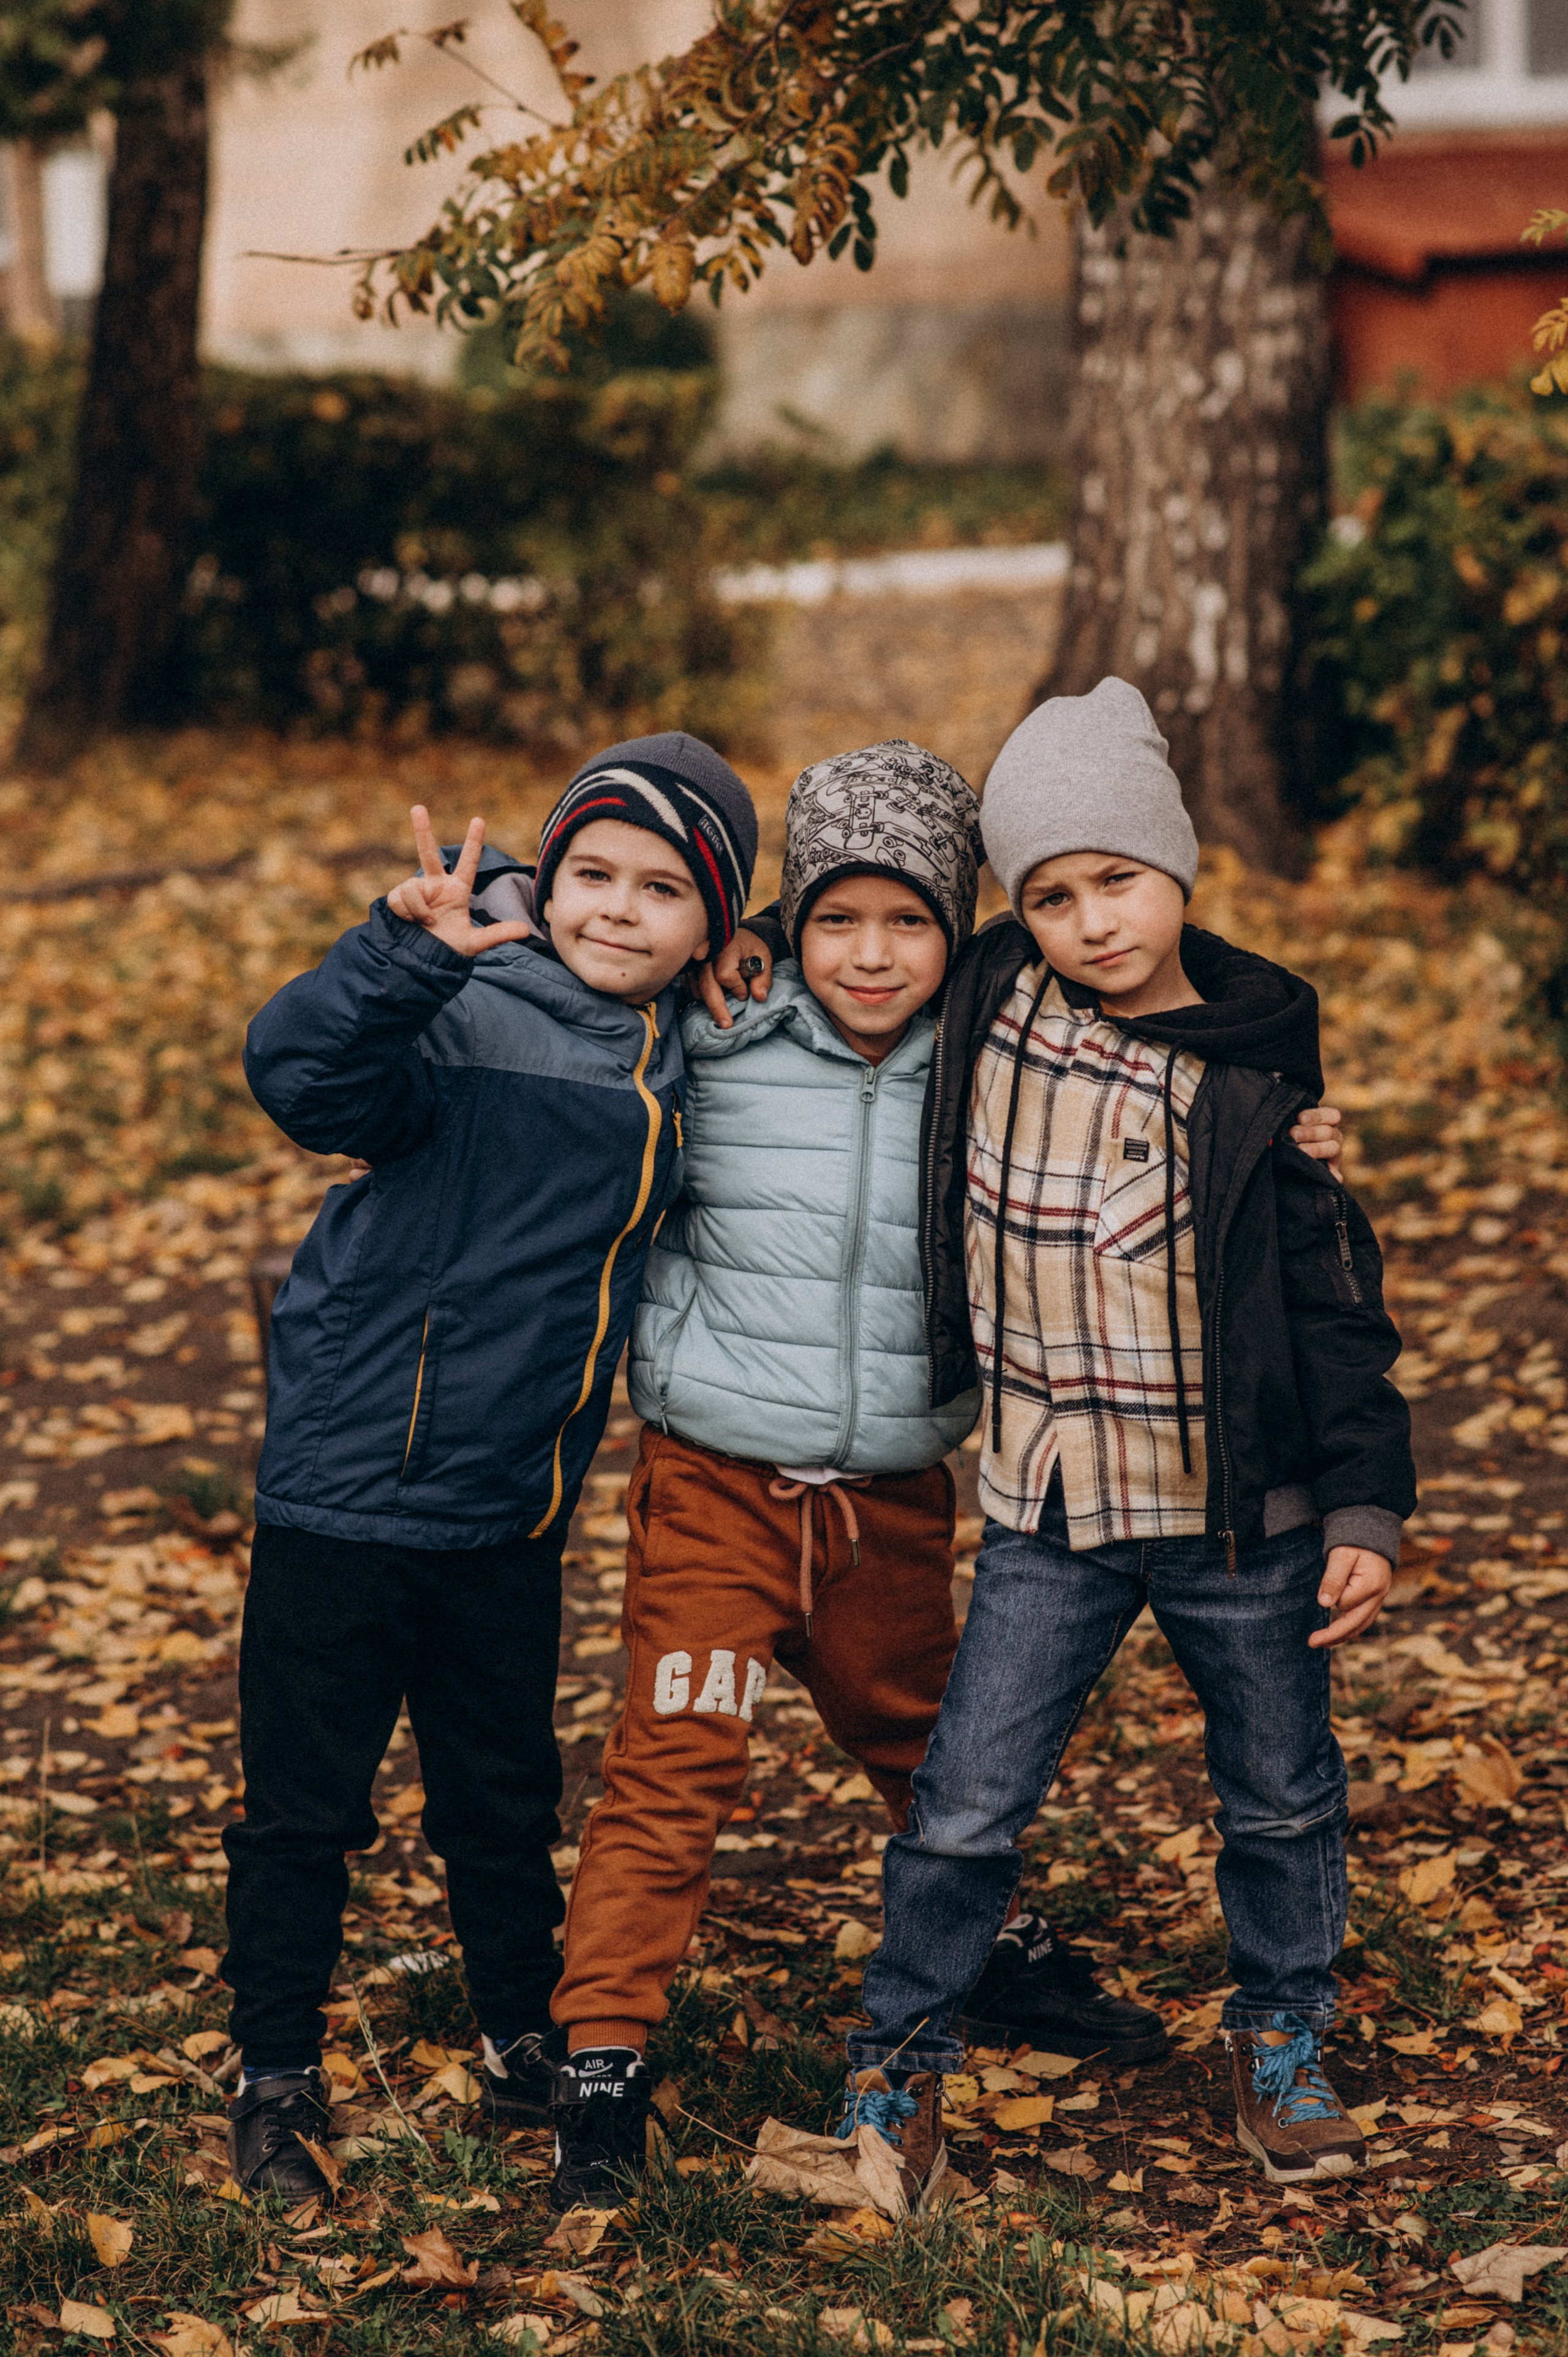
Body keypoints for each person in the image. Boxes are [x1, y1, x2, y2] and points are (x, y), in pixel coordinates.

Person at [543, 744, 1184, 2213]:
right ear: (786, 918)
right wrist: (729, 939)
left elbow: (1180, 993)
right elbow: (578, 929)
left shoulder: (1002, 1057)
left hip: (893, 1489)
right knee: (672, 1760)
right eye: (834, 918)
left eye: (908, 921)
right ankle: (600, 2052)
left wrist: (1300, 1125)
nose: (870, 954)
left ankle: (985, 1940)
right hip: (717, 1483)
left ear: (959, 927)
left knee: (928, 1743)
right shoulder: (718, 1033)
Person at [823, 678, 1415, 2208]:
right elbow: (856, 930)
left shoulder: (1255, 1080)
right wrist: (753, 946)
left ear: (1179, 870)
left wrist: (1362, 1502)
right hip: (1046, 1509)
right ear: (1010, 912)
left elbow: (1336, 1308)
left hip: (1243, 1519)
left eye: (1117, 881)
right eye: (1050, 892)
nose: (1090, 919)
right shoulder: (987, 1001)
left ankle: (1281, 2028)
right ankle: (900, 2053)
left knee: (1279, 1790)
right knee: (965, 1801)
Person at [224, 733, 756, 2200]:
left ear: (709, 922)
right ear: (547, 873)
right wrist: (400, 961)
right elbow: (300, 1072)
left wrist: (755, 950)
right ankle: (273, 2065)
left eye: (664, 891)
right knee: (305, 1801)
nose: (616, 911)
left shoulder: (683, 1056)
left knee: (502, 1796)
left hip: (513, 1510)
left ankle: (522, 2028)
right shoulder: (460, 1013)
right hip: (346, 1486)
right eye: (592, 873)